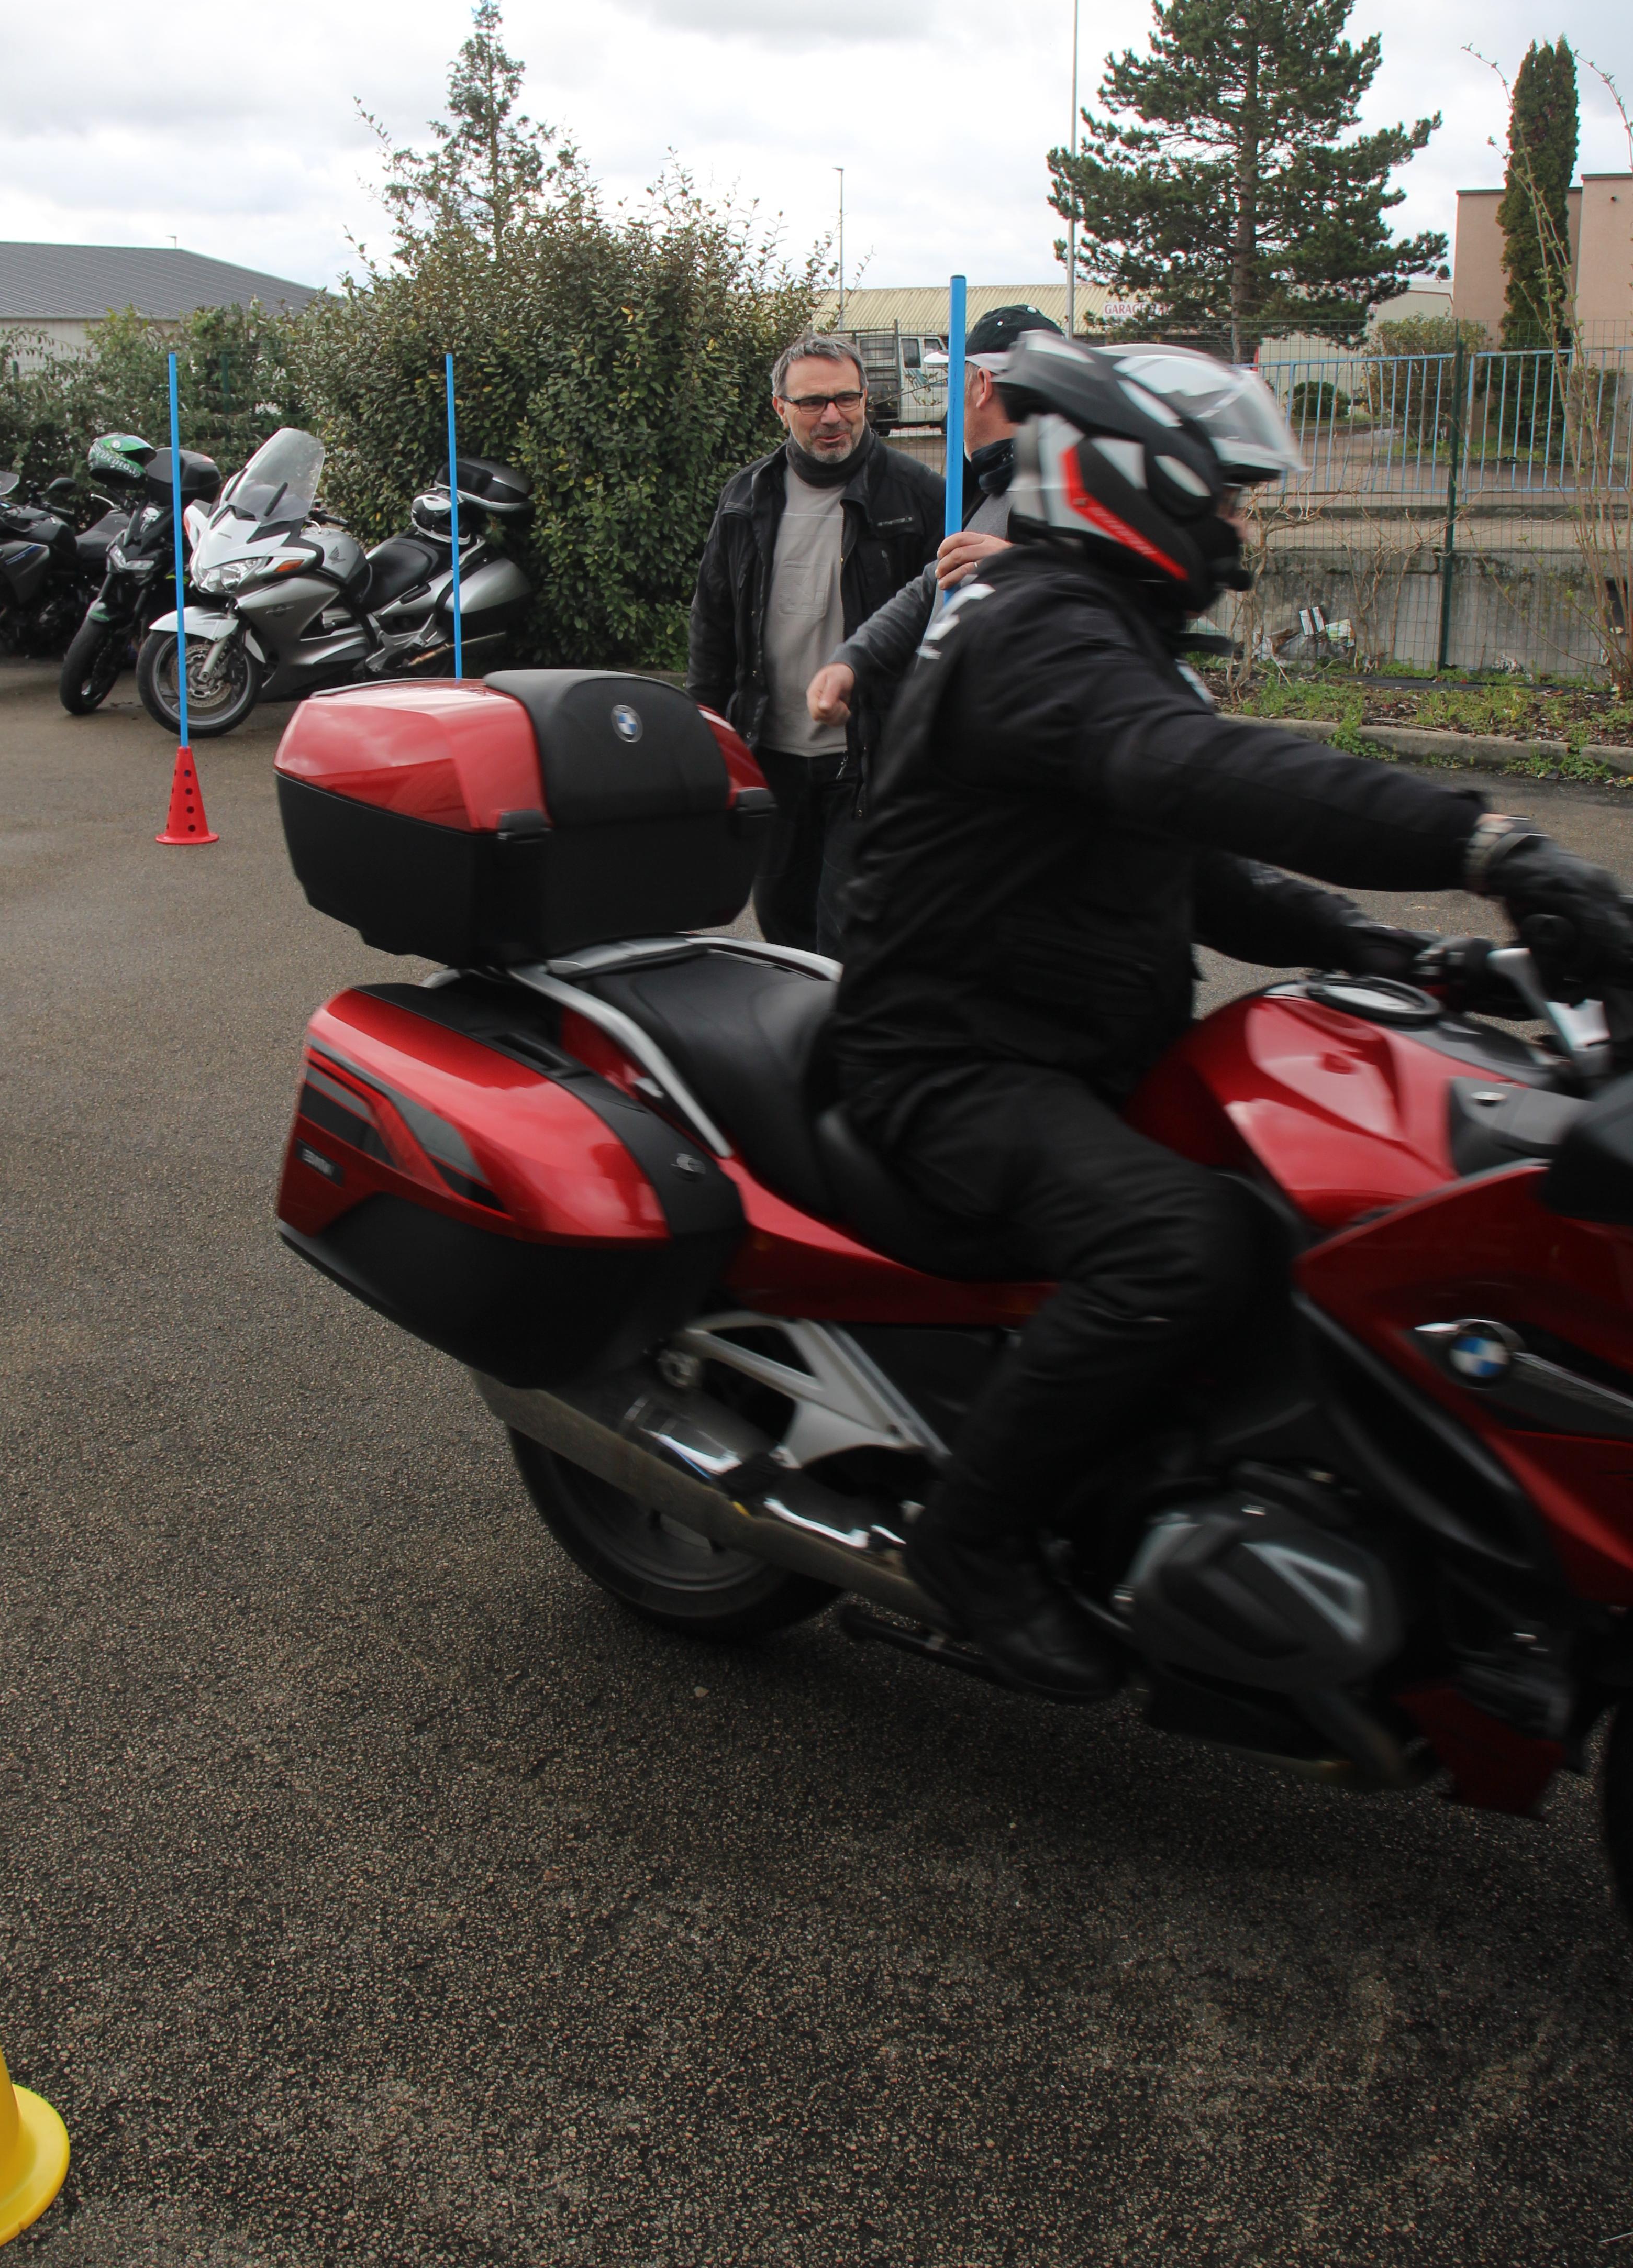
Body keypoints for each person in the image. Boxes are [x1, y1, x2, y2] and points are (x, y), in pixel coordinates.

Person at [829, 332, 1633, 1700]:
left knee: (1323, 1196)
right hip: (951, 1062)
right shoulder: (1035, 632)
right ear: (1137, 482)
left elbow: (1194, 868)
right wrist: (1490, 845)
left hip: (1073, 1045)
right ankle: (973, 1540)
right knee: (1181, 1245)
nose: (1243, 529)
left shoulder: (1094, 629)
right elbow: (1198, 771)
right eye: (1230, 497)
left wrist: (1404, 952)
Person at [687, 334, 942, 955]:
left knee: (845, 937)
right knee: (782, 922)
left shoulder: (918, 497)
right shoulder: (746, 497)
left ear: (865, 399)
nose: (833, 416)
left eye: (846, 398)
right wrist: (706, 734)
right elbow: (713, 623)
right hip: (771, 754)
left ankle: (843, 1019)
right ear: (780, 408)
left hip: (869, 761)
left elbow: (945, 629)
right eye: (812, 403)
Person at [805, 304, 1056, 746]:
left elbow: (1110, 600)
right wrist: (852, 661)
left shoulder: (1063, 495)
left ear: (982, 385)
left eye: (956, 382)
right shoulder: (990, 482)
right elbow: (935, 583)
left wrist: (1021, 568)